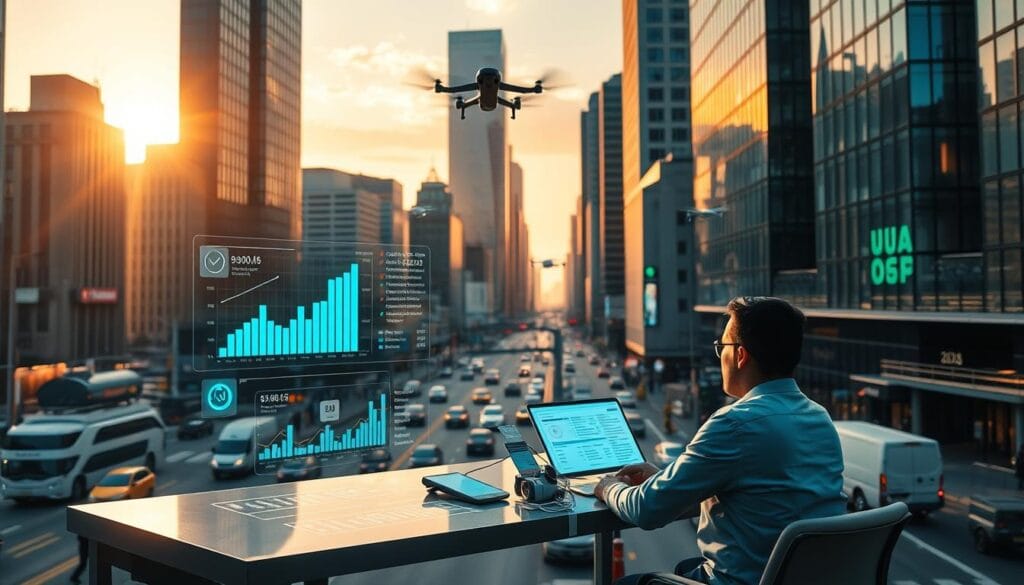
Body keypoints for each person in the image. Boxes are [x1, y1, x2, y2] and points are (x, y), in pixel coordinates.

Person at [595, 297, 846, 585]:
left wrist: (609, 487)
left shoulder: (734, 424)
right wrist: (666, 478)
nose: (720, 355)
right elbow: (765, 493)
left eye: (721, 347)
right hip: (804, 577)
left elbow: (647, 509)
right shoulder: (821, 419)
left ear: (740, 355)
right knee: (687, 566)